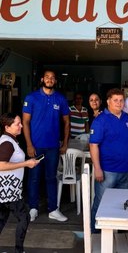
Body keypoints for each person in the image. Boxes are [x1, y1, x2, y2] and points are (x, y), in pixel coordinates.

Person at [22, 70, 70, 222]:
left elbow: (67, 122)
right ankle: (33, 208)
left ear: (55, 81)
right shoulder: (32, 97)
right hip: (35, 146)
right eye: (47, 77)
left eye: (52, 78)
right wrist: (29, 144)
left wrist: (65, 143)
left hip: (53, 147)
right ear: (42, 79)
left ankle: (53, 209)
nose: (49, 80)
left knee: (51, 177)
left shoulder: (60, 99)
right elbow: (25, 122)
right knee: (34, 178)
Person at [89, 88, 128, 233]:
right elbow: (93, 145)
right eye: (115, 100)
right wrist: (97, 168)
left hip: (126, 170)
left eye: (121, 100)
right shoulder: (100, 120)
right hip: (107, 170)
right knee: (101, 203)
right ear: (108, 101)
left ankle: (118, 234)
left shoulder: (127, 118)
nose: (119, 103)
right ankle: (94, 234)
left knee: (122, 205)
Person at [0, 113, 40, 253]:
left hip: (6, 189)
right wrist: (26, 163)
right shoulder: (7, 143)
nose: (21, 126)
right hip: (8, 189)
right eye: (17, 124)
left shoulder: (10, 140)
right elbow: (1, 165)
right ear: (7, 127)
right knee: (24, 217)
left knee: (2, 219)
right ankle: (19, 250)